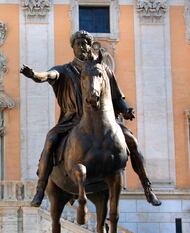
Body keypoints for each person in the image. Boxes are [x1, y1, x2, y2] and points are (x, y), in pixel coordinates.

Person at [20, 30, 161, 207]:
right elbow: (49, 75)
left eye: (84, 43)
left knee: (131, 141)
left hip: (102, 122)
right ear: (73, 48)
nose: (81, 47)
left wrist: (125, 111)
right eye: (77, 44)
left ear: (90, 45)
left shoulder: (104, 70)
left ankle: (147, 187)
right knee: (50, 140)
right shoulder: (64, 70)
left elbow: (117, 96)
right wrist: (34, 75)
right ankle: (40, 189)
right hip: (72, 121)